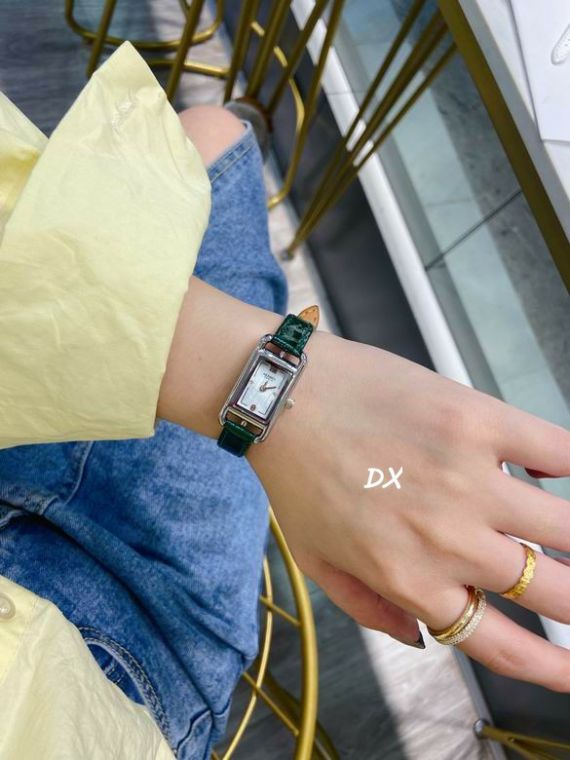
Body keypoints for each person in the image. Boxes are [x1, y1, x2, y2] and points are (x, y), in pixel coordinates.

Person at [0, 39, 569, 760]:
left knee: (210, 147)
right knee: (214, 143)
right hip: (95, 685)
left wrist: (257, 380)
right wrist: (267, 391)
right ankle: (245, 127)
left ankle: (241, 131)